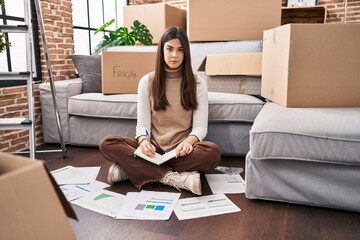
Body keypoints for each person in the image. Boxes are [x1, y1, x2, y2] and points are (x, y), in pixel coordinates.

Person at [99, 26, 221, 195]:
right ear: (162, 50)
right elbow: (142, 125)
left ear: (186, 53)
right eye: (169, 49)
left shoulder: (198, 83)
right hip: (153, 149)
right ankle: (172, 178)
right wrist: (143, 141)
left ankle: (129, 171)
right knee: (108, 143)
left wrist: (188, 142)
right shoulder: (146, 81)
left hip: (180, 152)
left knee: (212, 153)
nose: (174, 55)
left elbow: (200, 127)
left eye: (180, 50)